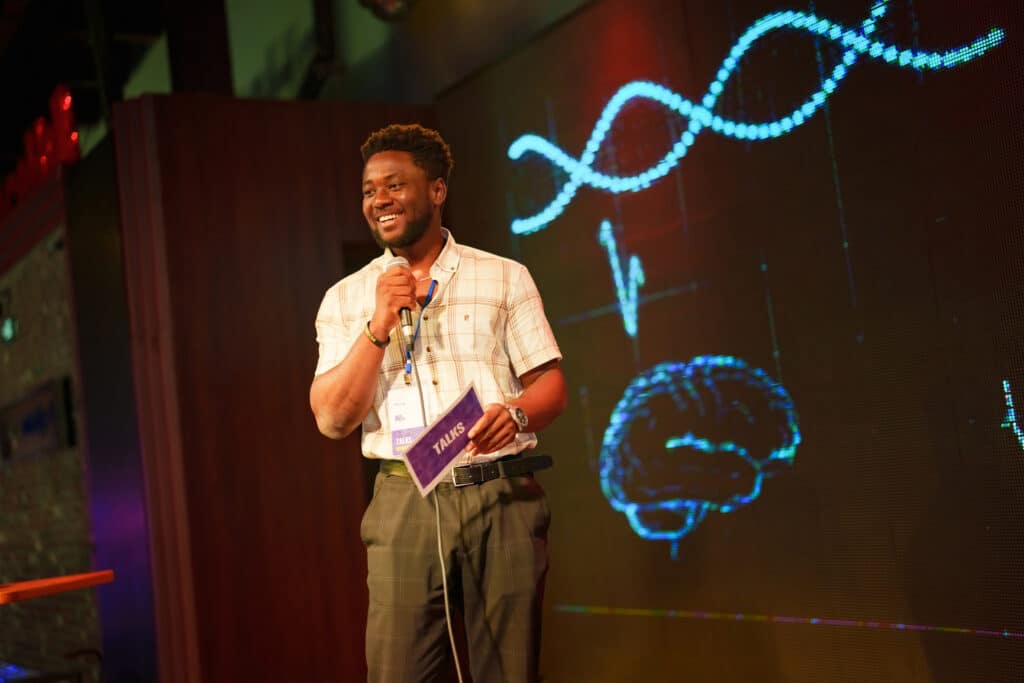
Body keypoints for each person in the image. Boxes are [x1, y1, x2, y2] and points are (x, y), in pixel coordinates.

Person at [309, 123, 567, 683]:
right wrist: (377, 327)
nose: (379, 199)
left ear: (437, 190)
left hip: (500, 491)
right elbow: (332, 418)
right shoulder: (346, 298)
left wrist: (516, 413)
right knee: (397, 670)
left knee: (510, 672)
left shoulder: (503, 276)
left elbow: (551, 386)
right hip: (405, 496)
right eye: (369, 189)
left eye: (395, 185)